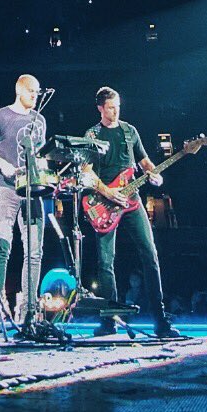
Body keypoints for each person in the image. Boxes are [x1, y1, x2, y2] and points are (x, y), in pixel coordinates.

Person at [82, 85, 180, 338]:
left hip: (133, 199)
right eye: (111, 108)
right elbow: (87, 171)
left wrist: (154, 173)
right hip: (104, 202)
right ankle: (108, 322)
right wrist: (106, 191)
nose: (115, 112)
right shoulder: (92, 134)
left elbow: (144, 161)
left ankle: (160, 321)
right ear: (100, 108)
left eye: (118, 107)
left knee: (150, 254)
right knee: (106, 263)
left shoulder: (129, 131)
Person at [0, 74, 46, 320]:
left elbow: (39, 155)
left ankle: (29, 310)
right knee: (2, 246)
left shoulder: (40, 120)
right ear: (19, 89)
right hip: (6, 188)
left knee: (34, 251)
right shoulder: (1, 116)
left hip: (33, 191)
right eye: (31, 90)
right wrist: (4, 165)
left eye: (37, 91)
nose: (35, 95)